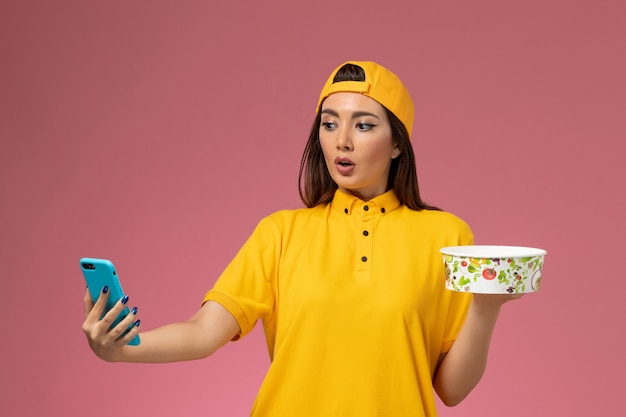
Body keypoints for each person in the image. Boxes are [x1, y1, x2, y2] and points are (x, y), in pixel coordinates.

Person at [82, 61, 521, 416]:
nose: (342, 141)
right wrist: (123, 350)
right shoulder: (281, 233)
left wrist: (485, 307)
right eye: (329, 125)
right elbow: (203, 332)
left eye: (364, 125)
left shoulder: (447, 236)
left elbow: (451, 390)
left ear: (397, 145)